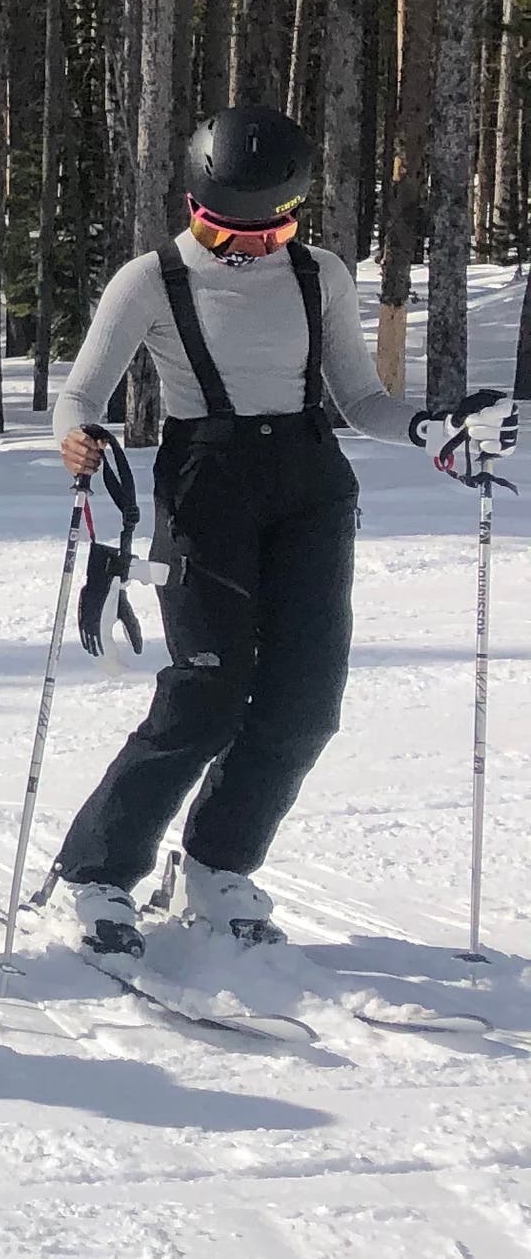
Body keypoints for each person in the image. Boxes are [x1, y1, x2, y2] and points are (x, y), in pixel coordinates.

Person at [37, 107, 497, 957]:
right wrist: (81, 436)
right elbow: (80, 396)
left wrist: (431, 429)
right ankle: (100, 871)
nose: (250, 248)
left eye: (272, 229)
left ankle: (219, 864)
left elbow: (361, 401)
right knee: (206, 696)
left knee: (305, 705)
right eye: (224, 234)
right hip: (206, 485)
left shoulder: (320, 273)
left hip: (308, 486)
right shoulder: (150, 279)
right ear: (192, 206)